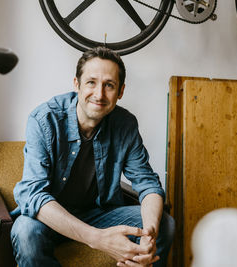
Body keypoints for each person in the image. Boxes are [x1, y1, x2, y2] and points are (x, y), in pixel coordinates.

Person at [10, 46, 175, 267]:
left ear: (121, 91)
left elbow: (148, 184)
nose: (99, 94)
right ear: (77, 84)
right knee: (25, 232)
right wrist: (98, 240)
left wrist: (149, 234)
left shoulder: (125, 124)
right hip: (51, 216)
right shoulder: (44, 119)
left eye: (109, 85)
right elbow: (33, 194)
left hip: (99, 214)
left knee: (164, 224)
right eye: (91, 82)